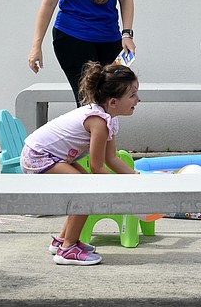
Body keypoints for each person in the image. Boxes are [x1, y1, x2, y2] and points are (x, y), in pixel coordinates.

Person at [20, 62, 141, 266]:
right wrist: (120, 185)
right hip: (38, 156)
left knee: (84, 188)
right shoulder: (98, 122)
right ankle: (67, 250)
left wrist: (135, 177)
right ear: (113, 102)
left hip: (50, 156)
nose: (138, 99)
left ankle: (62, 240)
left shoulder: (109, 119)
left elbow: (111, 159)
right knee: (86, 192)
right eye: (133, 95)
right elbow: (97, 167)